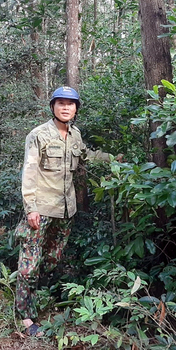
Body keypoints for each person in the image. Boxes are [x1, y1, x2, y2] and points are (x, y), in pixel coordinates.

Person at [14, 86, 114, 336]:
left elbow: (86, 156)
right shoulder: (38, 135)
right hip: (41, 209)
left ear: (76, 109)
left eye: (71, 104)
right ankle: (26, 316)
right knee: (30, 263)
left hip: (66, 210)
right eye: (61, 103)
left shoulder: (75, 134)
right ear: (53, 107)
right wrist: (31, 208)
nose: (66, 107)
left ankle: (39, 295)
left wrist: (113, 159)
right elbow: (29, 172)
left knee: (52, 258)